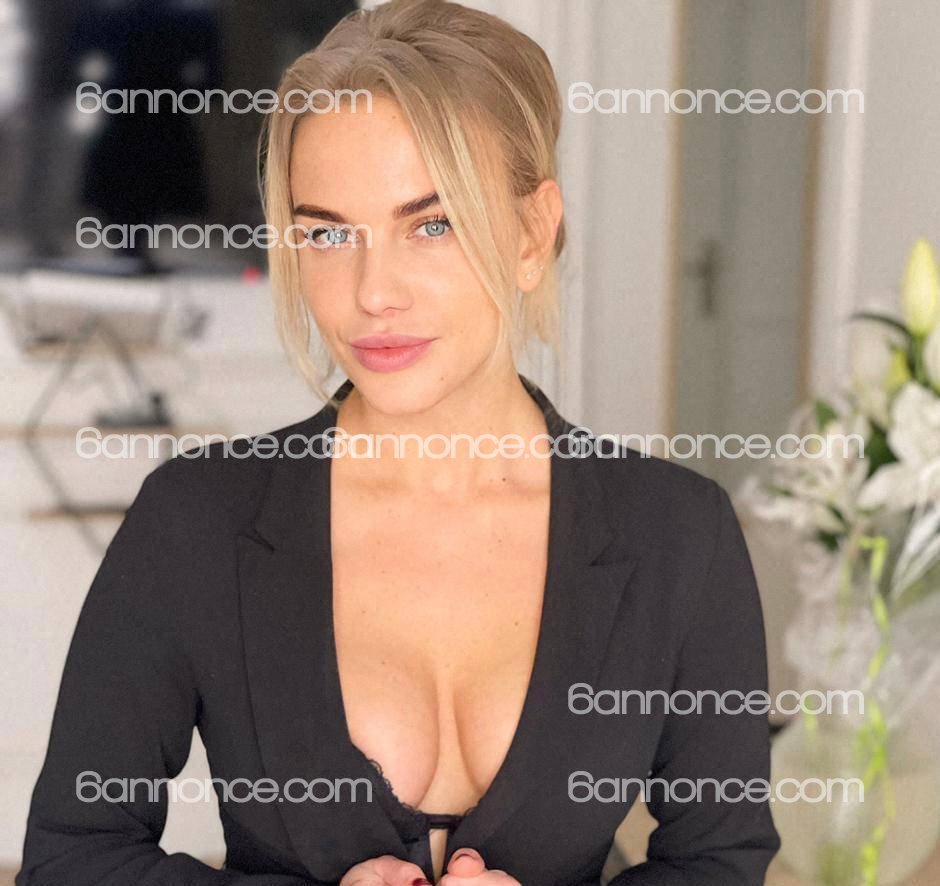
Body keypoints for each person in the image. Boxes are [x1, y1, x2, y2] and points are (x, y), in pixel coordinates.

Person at [17, 1, 781, 883]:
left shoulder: (679, 535)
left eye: (432, 223)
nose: (373, 291)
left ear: (532, 235)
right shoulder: (197, 520)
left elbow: (720, 859)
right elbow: (73, 856)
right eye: (329, 233)